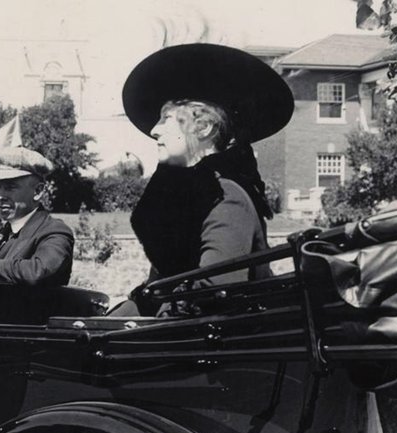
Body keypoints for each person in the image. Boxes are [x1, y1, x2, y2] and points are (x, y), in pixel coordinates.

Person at [117, 43, 294, 314]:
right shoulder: (187, 196)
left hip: (217, 347)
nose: (154, 130)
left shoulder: (226, 196)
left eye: (166, 119)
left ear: (203, 127)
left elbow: (213, 293)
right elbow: (162, 287)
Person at [0, 146, 74, 287]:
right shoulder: (5, 233)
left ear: (38, 191)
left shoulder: (55, 231)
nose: (0, 196)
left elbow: (37, 271)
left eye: (10, 187)